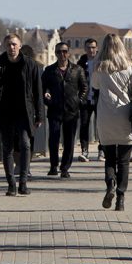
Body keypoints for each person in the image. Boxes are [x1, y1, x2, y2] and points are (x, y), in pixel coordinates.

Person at [0, 33, 43, 196]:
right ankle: (11, 183)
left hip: (24, 112)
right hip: (4, 111)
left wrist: (39, 114)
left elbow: (37, 91)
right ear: (5, 46)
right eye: (8, 45)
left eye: (14, 44)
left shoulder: (29, 64)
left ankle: (23, 182)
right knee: (8, 148)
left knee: (25, 145)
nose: (11, 48)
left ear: (20, 45)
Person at [92, 33, 132, 212]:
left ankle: (110, 185)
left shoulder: (100, 67)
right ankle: (120, 197)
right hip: (125, 115)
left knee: (109, 158)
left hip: (106, 116)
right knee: (124, 160)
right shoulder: (131, 66)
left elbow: (95, 86)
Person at [41, 42, 88, 177]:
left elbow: (84, 87)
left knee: (69, 141)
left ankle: (65, 168)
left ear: (69, 53)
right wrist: (47, 99)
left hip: (72, 110)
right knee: (53, 139)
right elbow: (41, 89)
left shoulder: (77, 70)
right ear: (55, 53)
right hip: (55, 109)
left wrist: (78, 101)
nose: (62, 54)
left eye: (65, 51)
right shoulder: (49, 71)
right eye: (59, 52)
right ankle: (53, 166)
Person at [77, 38, 102, 162]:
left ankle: (101, 151)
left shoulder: (102, 61)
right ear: (85, 49)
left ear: (96, 48)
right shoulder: (81, 62)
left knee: (101, 125)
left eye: (93, 47)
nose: (91, 50)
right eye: (88, 47)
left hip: (99, 98)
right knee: (84, 125)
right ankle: (84, 151)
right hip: (85, 98)